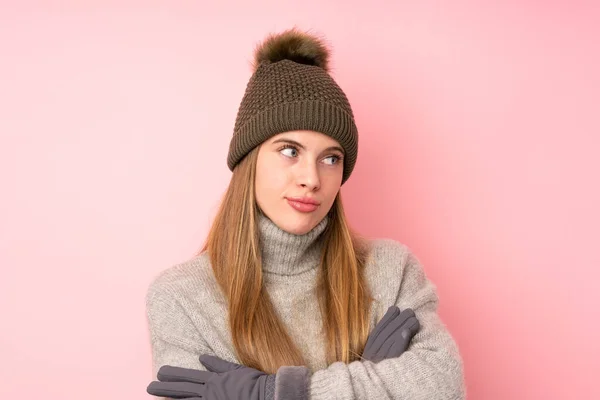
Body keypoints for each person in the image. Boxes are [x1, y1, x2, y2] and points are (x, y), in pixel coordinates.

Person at [145, 27, 465, 399]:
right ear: (249, 159)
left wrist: (276, 392)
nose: (312, 179)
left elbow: (445, 383)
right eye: (289, 151)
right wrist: (376, 381)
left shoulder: (391, 270)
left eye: (331, 158)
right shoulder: (181, 297)